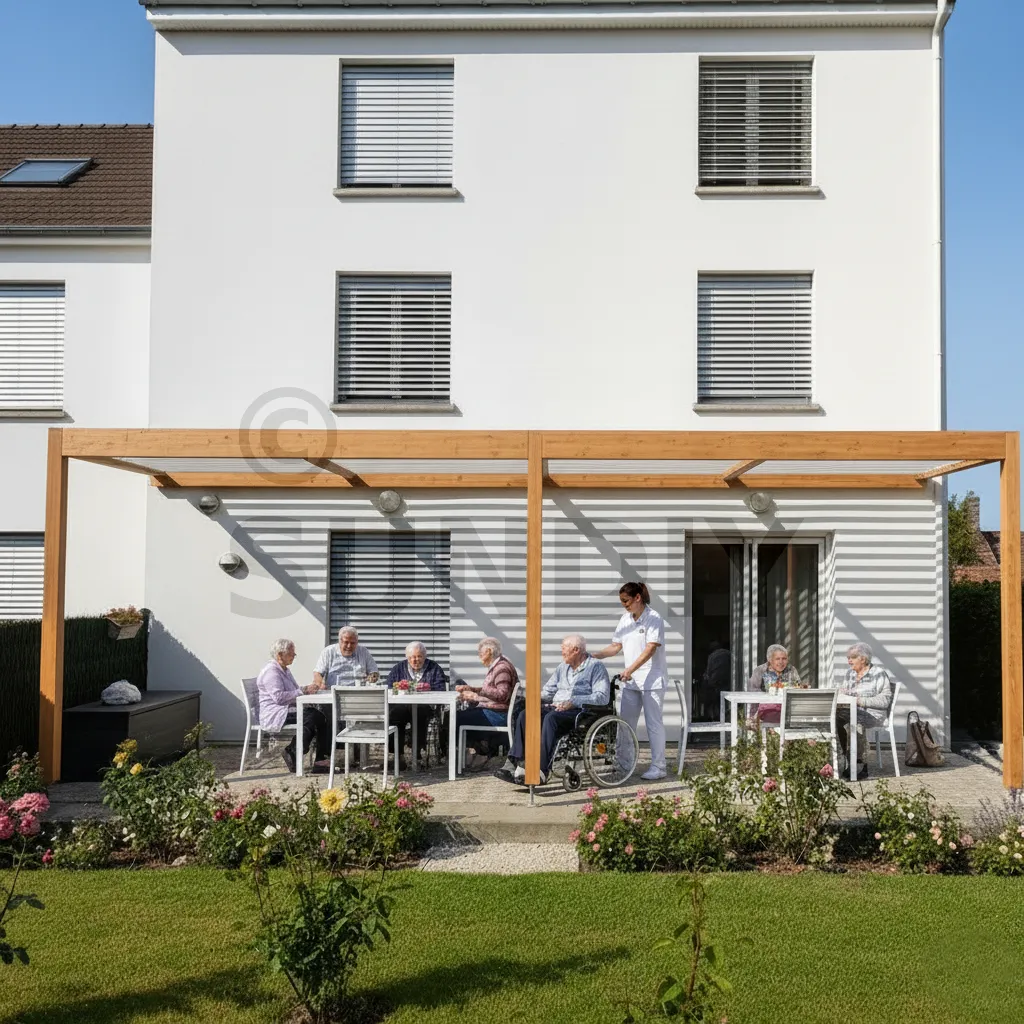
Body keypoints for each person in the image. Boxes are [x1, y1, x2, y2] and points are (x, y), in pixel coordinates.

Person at [495, 634, 610, 786]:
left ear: (576, 650)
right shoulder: (562, 667)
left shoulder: (596, 666)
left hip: (579, 712)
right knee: (525, 715)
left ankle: (541, 771)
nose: (562, 652)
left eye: (564, 649)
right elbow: (548, 692)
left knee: (551, 719)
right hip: (556, 708)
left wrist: (573, 702)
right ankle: (516, 764)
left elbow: (602, 697)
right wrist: (531, 698)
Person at [594, 581, 669, 781]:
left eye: (626, 601)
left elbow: (650, 649)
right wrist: (594, 656)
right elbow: (615, 646)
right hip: (631, 681)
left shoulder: (654, 618)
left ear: (638, 597)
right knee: (625, 724)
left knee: (653, 724)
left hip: (651, 680)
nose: (624, 605)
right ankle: (623, 764)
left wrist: (630, 669)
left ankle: (659, 767)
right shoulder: (625, 619)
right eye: (621, 602)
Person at [256, 639, 331, 774]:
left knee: (319, 716)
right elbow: (279, 698)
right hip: (276, 712)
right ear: (280, 655)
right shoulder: (271, 672)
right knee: (312, 716)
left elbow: (295, 690)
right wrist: (303, 691)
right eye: (291, 654)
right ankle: (294, 751)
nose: (294, 656)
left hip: (287, 709)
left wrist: (307, 689)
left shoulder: (284, 670)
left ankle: (316, 758)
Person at [455, 637, 519, 771]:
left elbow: (502, 695)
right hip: (494, 710)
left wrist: (476, 692)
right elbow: (492, 694)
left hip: (498, 715)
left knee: (455, 719)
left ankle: (480, 752)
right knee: (460, 715)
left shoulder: (502, 668)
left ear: (489, 651)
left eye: (480, 652)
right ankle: (480, 750)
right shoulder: (497, 666)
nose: (479, 655)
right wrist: (473, 695)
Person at [385, 641, 448, 766]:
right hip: (402, 706)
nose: (415, 660)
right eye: (412, 657)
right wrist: (401, 687)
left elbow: (441, 688)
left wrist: (427, 688)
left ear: (424, 656)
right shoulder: (398, 668)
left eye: (419, 656)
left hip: (425, 707)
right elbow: (390, 687)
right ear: (407, 657)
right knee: (395, 716)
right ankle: (397, 756)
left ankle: (417, 754)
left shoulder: (434, 668)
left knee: (420, 715)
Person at [837, 642, 894, 778]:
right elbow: (846, 693)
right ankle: (844, 759)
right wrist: (843, 692)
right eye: (848, 658)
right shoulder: (850, 674)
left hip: (873, 714)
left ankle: (861, 765)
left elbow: (885, 701)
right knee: (834, 720)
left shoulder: (879, 674)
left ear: (862, 659)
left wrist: (861, 701)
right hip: (853, 711)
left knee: (855, 723)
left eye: (852, 658)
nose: (849, 661)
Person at [748, 644, 804, 726]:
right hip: (764, 710)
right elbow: (753, 691)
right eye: (777, 659)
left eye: (784, 659)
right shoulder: (760, 670)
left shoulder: (791, 670)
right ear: (770, 660)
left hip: (786, 710)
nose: (781, 662)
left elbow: (799, 687)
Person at [313, 625, 379, 688]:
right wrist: (319, 684)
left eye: (352, 643)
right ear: (340, 641)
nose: (349, 646)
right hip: (333, 691)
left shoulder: (363, 652)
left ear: (357, 642)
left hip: (359, 691)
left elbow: (374, 672)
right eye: (346, 642)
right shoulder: (328, 652)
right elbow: (318, 672)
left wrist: (372, 677)